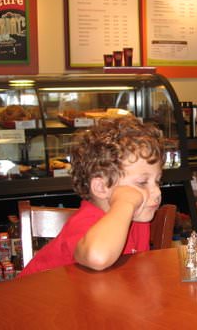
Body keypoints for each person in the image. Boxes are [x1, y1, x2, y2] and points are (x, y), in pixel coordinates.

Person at [20, 115, 164, 276]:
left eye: (158, 181)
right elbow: (98, 257)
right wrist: (125, 203)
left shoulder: (138, 219)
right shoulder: (86, 222)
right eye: (142, 182)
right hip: (33, 298)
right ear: (101, 187)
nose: (157, 192)